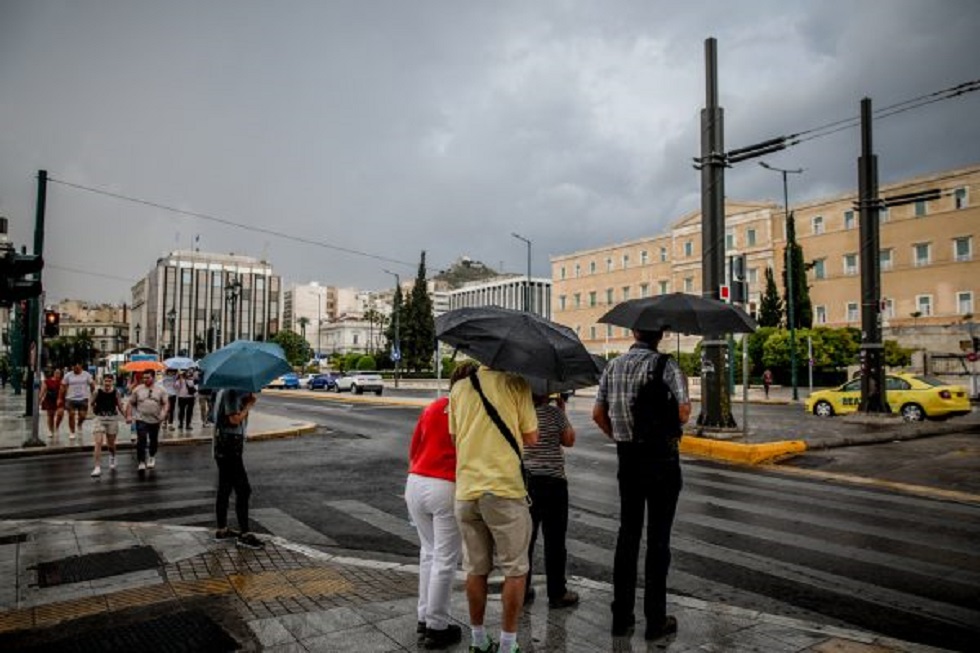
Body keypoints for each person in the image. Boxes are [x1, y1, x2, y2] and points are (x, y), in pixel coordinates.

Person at [592, 328, 691, 642]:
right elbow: (684, 412)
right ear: (660, 334)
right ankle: (655, 621)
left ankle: (621, 617)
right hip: (661, 458)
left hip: (628, 458)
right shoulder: (668, 365)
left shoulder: (613, 366)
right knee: (658, 541)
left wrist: (620, 437)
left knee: (627, 536)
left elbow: (597, 413)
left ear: (634, 331)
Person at [449, 364, 538, 653]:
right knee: (515, 570)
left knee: (476, 569)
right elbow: (531, 437)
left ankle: (477, 640)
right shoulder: (516, 383)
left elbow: (454, 438)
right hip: (503, 489)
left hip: (466, 490)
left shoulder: (459, 388)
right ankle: (508, 644)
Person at [405, 361, 477, 650]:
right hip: (445, 485)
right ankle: (437, 625)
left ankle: (424, 617)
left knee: (428, 553)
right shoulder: (469, 411)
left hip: (416, 482)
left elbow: (414, 448)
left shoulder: (433, 407)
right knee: (445, 559)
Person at [524, 393, 579, 610]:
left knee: (526, 540)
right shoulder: (555, 413)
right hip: (554, 484)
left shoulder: (522, 414)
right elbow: (569, 440)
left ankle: (522, 587)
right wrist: (562, 412)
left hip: (527, 484)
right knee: (555, 541)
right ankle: (557, 593)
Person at [212, 388, 263, 550]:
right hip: (230, 445)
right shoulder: (232, 391)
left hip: (223, 443)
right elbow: (234, 420)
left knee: (225, 487)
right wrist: (248, 405)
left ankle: (222, 529)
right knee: (243, 489)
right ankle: (245, 534)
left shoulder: (221, 390)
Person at [126, 370, 168, 471]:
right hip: (141, 419)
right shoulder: (137, 389)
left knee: (153, 440)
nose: (145, 380)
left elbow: (166, 403)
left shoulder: (161, 390)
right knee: (141, 439)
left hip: (155, 419)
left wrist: (163, 413)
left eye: (147, 378)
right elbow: (130, 403)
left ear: (153, 378)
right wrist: (128, 415)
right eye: (144, 378)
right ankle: (141, 461)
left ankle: (152, 456)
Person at [90, 374, 124, 477]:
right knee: (98, 442)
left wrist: (126, 416)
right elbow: (91, 403)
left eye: (109, 381)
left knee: (111, 444)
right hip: (99, 418)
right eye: (106, 381)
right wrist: (93, 412)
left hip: (112, 418)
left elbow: (119, 405)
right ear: (102, 381)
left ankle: (112, 456)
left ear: (112, 382)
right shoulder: (97, 392)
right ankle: (97, 467)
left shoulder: (116, 392)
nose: (107, 383)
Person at [60, 363, 95, 441]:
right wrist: (60, 398)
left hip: (83, 398)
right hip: (70, 398)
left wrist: (93, 394)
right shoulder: (68, 375)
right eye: (74, 367)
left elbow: (92, 385)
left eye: (77, 367)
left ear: (81, 366)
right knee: (71, 415)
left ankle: (79, 424)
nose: (75, 369)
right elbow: (62, 386)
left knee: (82, 416)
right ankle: (72, 432)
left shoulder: (86, 375)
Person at [41, 368, 65, 438]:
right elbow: (43, 390)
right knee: (50, 416)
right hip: (50, 399)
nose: (57, 374)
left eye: (59, 373)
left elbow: (65, 391)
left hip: (59, 399)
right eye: (56, 372)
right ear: (53, 373)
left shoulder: (62, 382)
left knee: (60, 413)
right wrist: (39, 398)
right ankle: (50, 431)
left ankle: (56, 426)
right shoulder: (47, 381)